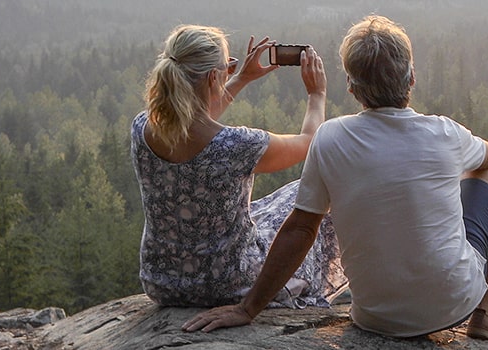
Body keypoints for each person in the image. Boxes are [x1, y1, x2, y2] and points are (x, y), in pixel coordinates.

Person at [182, 15, 488, 343]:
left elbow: (301, 229)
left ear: (352, 87)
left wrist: (248, 308)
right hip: (453, 306)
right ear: (411, 78)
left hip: (375, 318)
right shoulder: (445, 132)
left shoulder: (331, 138)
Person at [130, 24, 347, 309]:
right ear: (212, 78)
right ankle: (304, 289)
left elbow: (190, 118)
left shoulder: (143, 127)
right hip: (229, 284)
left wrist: (241, 78)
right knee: (315, 195)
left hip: (162, 282)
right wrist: (317, 94)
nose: (230, 71)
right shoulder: (237, 145)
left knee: (264, 210)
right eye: (227, 68)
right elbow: (308, 142)